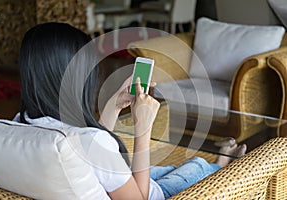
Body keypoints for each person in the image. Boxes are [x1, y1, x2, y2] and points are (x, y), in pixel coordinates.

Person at [15, 22, 246, 200]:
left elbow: (91, 152)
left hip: (110, 184)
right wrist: (143, 128)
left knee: (166, 168)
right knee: (195, 167)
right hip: (147, 194)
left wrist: (114, 105)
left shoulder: (22, 124)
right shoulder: (89, 141)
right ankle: (221, 164)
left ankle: (216, 163)